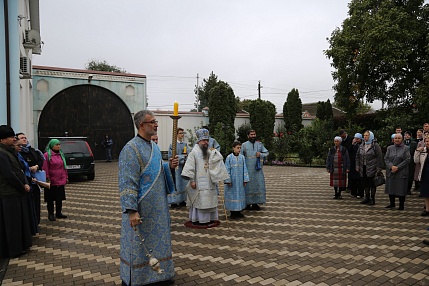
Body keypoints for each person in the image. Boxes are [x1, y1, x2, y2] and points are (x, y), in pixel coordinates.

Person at [118, 110, 178, 286]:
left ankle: (160, 276)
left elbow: (158, 172)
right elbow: (127, 181)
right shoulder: (131, 149)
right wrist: (131, 210)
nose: (156, 124)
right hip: (141, 208)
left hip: (158, 207)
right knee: (139, 244)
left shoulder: (154, 147)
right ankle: (140, 279)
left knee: (159, 243)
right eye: (152, 122)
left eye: (156, 121)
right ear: (142, 125)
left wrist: (169, 167)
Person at [181, 128, 229, 226]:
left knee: (210, 200)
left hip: (209, 181)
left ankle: (210, 219)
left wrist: (216, 155)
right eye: (203, 140)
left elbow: (216, 162)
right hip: (198, 182)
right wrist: (192, 180)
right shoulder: (193, 152)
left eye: (207, 140)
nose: (205, 142)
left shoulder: (209, 151)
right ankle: (199, 219)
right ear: (199, 141)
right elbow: (190, 168)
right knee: (200, 201)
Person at [0, 125, 32, 258]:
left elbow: (17, 170)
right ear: (2, 139)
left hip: (14, 192)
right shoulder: (2, 154)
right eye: (10, 137)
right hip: (9, 193)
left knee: (17, 222)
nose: (14, 139)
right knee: (11, 224)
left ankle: (18, 247)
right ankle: (13, 250)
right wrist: (22, 186)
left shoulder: (8, 151)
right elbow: (8, 174)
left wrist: (24, 182)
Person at [16, 132, 44, 227]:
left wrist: (36, 166)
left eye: (25, 137)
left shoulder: (32, 150)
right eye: (21, 138)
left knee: (36, 203)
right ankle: (30, 224)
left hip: (36, 180)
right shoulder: (18, 152)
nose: (24, 139)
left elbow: (40, 160)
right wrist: (28, 169)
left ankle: (36, 222)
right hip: (27, 181)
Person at [14, 138, 39, 235]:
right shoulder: (14, 156)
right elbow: (18, 172)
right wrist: (27, 180)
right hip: (23, 185)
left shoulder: (28, 152)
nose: (20, 147)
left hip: (29, 182)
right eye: (18, 145)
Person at [241, 130, 269, 210]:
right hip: (248, 170)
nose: (253, 136)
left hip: (257, 170)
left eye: (254, 134)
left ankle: (255, 203)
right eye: (251, 134)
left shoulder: (259, 145)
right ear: (248, 136)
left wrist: (260, 154)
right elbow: (241, 157)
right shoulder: (244, 145)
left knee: (257, 185)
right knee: (248, 186)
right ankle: (247, 203)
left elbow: (266, 153)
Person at [42, 139, 68, 221]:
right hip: (51, 180)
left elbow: (64, 167)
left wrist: (65, 177)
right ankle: (50, 214)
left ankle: (58, 213)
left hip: (60, 180)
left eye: (59, 144)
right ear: (51, 146)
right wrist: (47, 177)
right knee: (50, 199)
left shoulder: (61, 154)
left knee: (59, 198)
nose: (58, 146)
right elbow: (44, 167)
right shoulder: (47, 155)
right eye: (56, 145)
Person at [356, 130, 383, 205]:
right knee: (365, 183)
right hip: (363, 167)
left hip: (372, 168)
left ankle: (372, 198)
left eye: (367, 135)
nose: (365, 137)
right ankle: (366, 197)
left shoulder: (375, 145)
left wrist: (378, 168)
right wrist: (357, 165)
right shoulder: (362, 145)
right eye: (364, 135)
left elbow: (379, 157)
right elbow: (357, 156)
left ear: (371, 136)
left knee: (372, 184)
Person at [384, 133, 410, 210]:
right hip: (391, 171)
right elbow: (386, 159)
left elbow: (407, 159)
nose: (397, 140)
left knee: (401, 189)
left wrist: (397, 167)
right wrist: (391, 166)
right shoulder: (389, 148)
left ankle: (401, 205)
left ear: (402, 139)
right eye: (396, 138)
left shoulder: (406, 148)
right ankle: (392, 203)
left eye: (399, 138)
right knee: (391, 188)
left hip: (401, 172)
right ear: (393, 139)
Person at [224, 141, 249, 219]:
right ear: (233, 148)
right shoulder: (229, 157)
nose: (239, 149)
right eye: (238, 148)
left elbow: (245, 168)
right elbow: (227, 169)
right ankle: (232, 212)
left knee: (240, 195)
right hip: (232, 181)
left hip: (240, 181)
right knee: (232, 196)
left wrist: (245, 179)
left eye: (240, 148)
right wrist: (228, 180)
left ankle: (238, 211)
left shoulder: (242, 157)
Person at [168, 128, 188, 208]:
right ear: (176, 135)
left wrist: (183, 158)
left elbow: (188, 154)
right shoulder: (172, 145)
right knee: (175, 183)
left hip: (182, 167)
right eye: (180, 133)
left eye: (183, 133)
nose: (182, 135)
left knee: (183, 183)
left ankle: (182, 200)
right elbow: (171, 156)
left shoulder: (185, 145)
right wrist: (182, 157)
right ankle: (174, 201)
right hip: (175, 167)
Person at [414, 137, 429, 216]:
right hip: (425, 174)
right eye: (426, 141)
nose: (428, 142)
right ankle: (427, 209)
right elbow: (416, 161)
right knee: (426, 193)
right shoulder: (423, 151)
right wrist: (417, 151)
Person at [348, 133, 363, 198]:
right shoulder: (353, 145)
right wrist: (352, 144)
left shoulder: (362, 145)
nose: (356, 140)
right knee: (353, 179)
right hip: (353, 164)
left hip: (360, 164)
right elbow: (348, 152)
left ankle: (360, 193)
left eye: (357, 139)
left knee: (360, 180)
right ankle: (353, 192)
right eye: (355, 139)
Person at [403, 131, 417, 195]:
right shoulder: (402, 143)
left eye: (408, 135)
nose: (407, 136)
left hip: (411, 161)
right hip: (403, 161)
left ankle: (408, 189)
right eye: (406, 135)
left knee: (410, 176)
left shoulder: (414, 143)